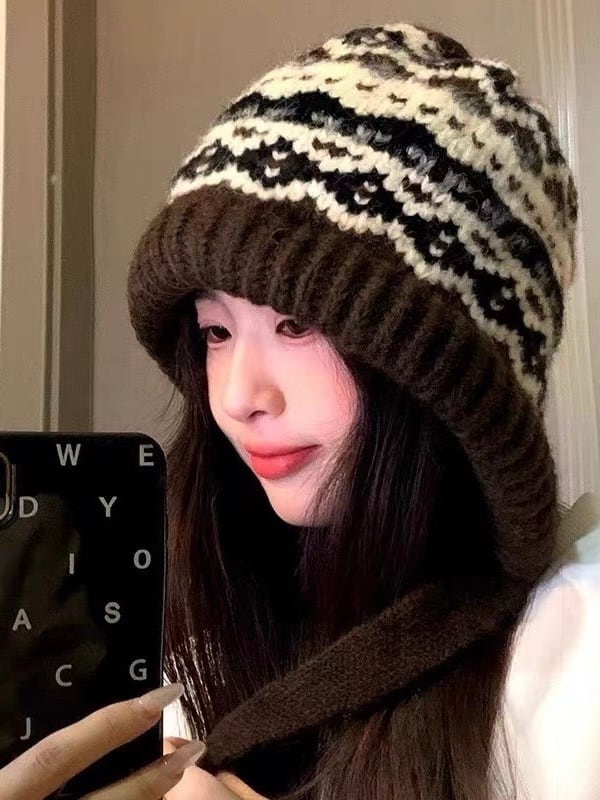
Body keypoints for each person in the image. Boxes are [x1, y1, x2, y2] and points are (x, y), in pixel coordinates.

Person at [1, 19, 598, 800]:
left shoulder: (577, 652)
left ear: (447, 378)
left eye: (297, 326)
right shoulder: (189, 640)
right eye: (216, 332)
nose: (238, 397)